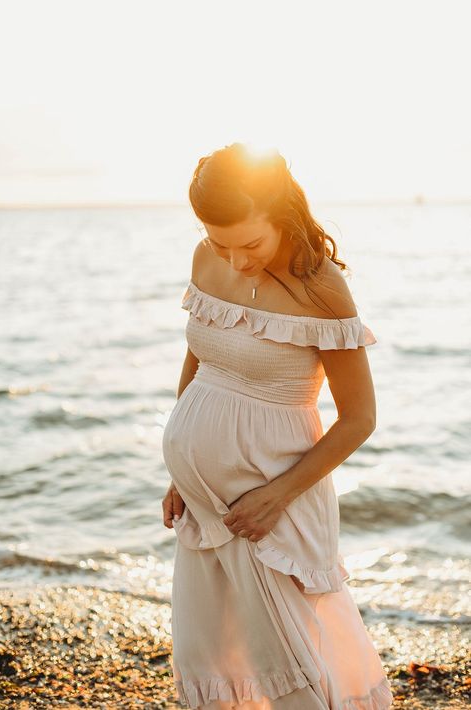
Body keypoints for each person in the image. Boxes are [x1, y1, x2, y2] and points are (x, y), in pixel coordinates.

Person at [162, 143, 393, 709]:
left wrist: (274, 497)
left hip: (272, 503)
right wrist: (182, 476)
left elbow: (359, 418)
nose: (235, 259)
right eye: (219, 241)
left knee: (289, 664)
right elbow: (199, 360)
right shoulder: (205, 260)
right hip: (207, 501)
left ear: (282, 215)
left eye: (251, 243)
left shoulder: (322, 289)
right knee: (214, 651)